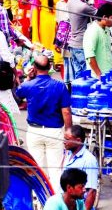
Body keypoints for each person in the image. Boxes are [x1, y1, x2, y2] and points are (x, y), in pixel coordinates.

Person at [15, 53, 72, 185]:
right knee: (56, 170)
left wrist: (28, 77)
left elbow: (18, 93)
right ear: (50, 66)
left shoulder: (28, 85)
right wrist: (68, 130)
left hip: (34, 132)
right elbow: (66, 111)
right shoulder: (59, 86)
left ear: (34, 67)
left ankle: (38, 201)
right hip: (54, 132)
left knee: (37, 169)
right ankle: (56, 198)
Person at [61, 125, 98, 210]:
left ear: (78, 140)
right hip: (67, 209)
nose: (64, 141)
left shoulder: (89, 160)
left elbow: (91, 192)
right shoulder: (67, 154)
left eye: (67, 139)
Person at [64, 0, 97, 81]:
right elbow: (101, 14)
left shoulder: (71, 0)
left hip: (72, 44)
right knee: (85, 74)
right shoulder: (84, 7)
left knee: (78, 74)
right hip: (81, 44)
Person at [83, 3, 112, 77]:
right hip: (98, 78)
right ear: (104, 17)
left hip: (109, 74)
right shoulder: (93, 31)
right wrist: (99, 75)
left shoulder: (106, 29)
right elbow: (90, 56)